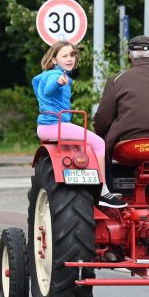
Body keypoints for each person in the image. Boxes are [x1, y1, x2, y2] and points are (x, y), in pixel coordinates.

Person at [33, 41, 125, 208]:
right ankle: (103, 190)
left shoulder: (56, 75)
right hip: (56, 125)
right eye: (64, 55)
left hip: (49, 126)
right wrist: (58, 82)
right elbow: (48, 89)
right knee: (98, 143)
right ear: (54, 60)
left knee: (84, 148)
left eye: (72, 55)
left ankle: (90, 188)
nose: (70, 59)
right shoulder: (54, 76)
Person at [93, 35, 149, 204]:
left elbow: (104, 118)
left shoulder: (117, 80)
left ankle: (106, 196)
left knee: (102, 146)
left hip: (128, 146)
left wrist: (99, 131)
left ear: (129, 56)